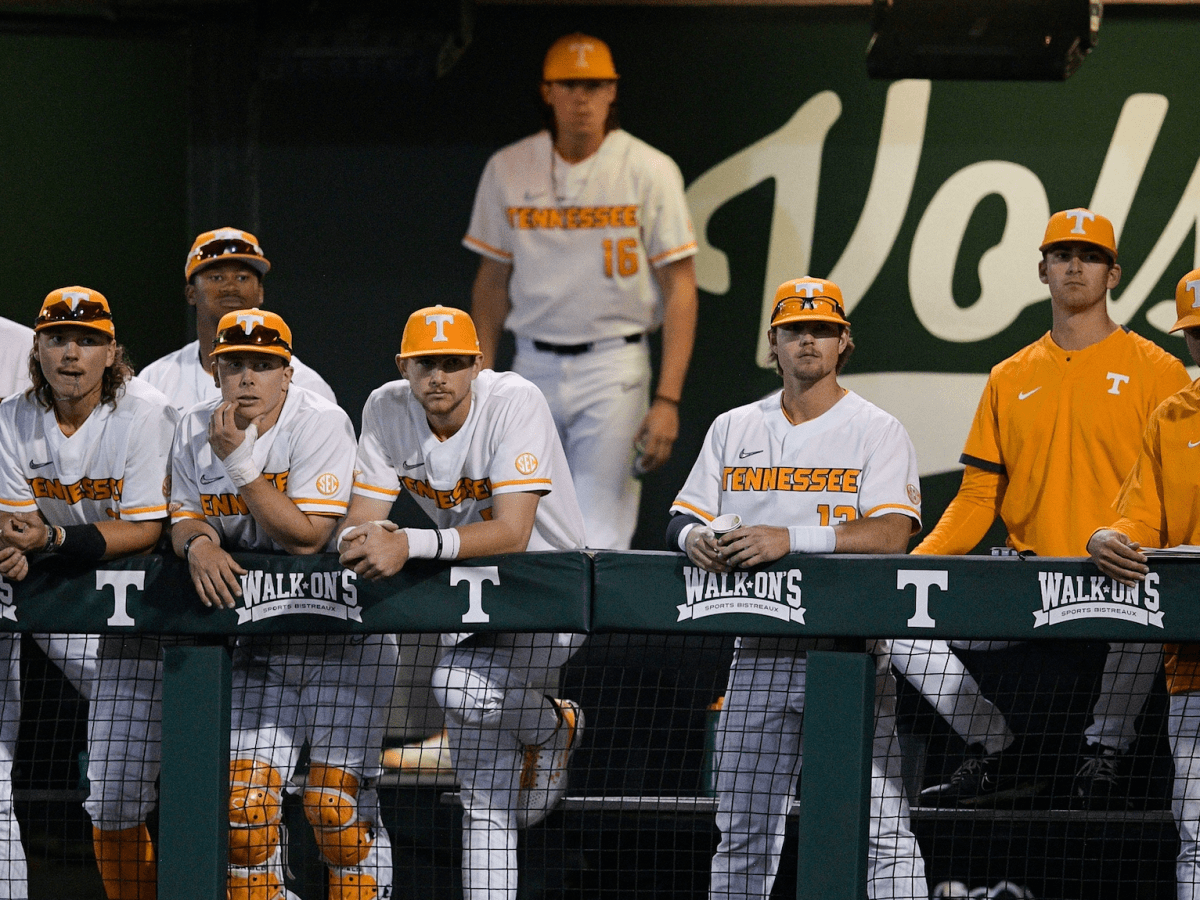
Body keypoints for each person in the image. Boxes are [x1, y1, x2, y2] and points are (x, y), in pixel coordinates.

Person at [907, 208, 1191, 810]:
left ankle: (1104, 753)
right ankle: (997, 747)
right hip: (1031, 583)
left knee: (1148, 604)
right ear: (1042, 270)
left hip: (1116, 581)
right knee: (895, 633)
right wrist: (911, 567)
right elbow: (977, 497)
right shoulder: (1009, 376)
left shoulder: (1158, 370)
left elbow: (1173, 495)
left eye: (1090, 257)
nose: (1075, 266)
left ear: (1113, 274)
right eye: (1062, 255)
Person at [667, 278, 927, 900]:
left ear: (844, 343)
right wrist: (690, 541)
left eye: (824, 329)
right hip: (755, 655)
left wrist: (791, 537)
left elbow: (893, 532)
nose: (809, 338)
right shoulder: (733, 426)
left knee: (883, 832)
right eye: (795, 329)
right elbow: (682, 514)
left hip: (849, 655)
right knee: (743, 833)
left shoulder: (876, 428)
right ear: (774, 345)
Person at [338, 305, 587, 900]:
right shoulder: (385, 408)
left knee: (455, 684)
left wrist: (410, 543)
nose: (439, 377)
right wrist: (361, 541)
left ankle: (551, 726)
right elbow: (360, 522)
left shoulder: (514, 400)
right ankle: (548, 724)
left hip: (546, 592)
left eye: (454, 363)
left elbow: (513, 532)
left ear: (478, 364)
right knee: (487, 802)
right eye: (427, 364)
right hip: (467, 596)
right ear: (404, 366)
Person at [169, 308, 394, 900]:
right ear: (214, 370)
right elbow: (184, 514)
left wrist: (239, 464)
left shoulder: (321, 423)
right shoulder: (190, 426)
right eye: (235, 364)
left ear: (287, 373)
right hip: (260, 649)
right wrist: (195, 544)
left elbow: (307, 536)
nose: (247, 377)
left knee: (332, 809)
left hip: (342, 645)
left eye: (262, 365)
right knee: (242, 810)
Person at [465, 32, 698, 551]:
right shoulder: (508, 167)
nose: (581, 97)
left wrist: (667, 399)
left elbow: (681, 286)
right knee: (525, 523)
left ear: (613, 91)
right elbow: (491, 281)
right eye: (569, 85)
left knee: (600, 532)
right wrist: (480, 376)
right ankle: (533, 637)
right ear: (547, 92)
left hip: (613, 366)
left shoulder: (649, 168)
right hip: (530, 364)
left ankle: (579, 637)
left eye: (594, 84)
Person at [0, 287, 176, 900]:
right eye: (57, 339)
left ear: (112, 353)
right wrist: (20, 543)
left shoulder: (146, 413)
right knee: (114, 797)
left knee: (231, 794)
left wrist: (45, 538)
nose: (71, 353)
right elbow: (16, 529)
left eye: (88, 340)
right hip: (79, 625)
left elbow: (147, 528)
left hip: (156, 622)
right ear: (38, 350)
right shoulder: (12, 418)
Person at [1087, 266, 1200, 900]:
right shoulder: (1172, 417)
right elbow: (1139, 519)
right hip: (1191, 670)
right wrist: (1107, 535)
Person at [139, 227, 335, 413]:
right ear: (191, 293)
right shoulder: (156, 379)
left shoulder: (307, 385)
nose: (231, 287)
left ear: (260, 292)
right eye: (216, 277)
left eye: (242, 278)